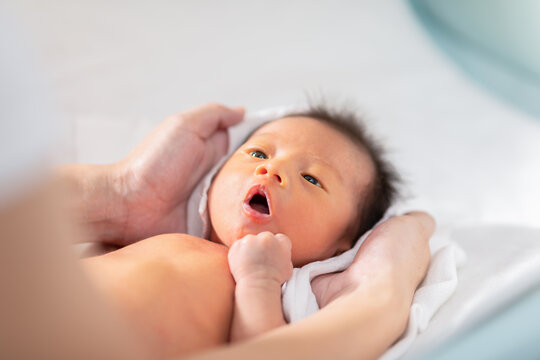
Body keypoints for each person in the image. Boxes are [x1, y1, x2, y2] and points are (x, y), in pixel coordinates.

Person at [76, 105, 434, 358]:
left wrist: (259, 282)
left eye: (312, 178)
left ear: (341, 246)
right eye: (258, 153)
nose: (271, 169)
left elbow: (260, 349)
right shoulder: (148, 236)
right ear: (213, 178)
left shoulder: (285, 293)